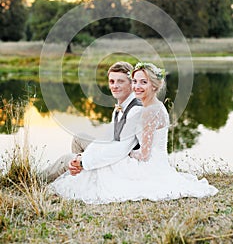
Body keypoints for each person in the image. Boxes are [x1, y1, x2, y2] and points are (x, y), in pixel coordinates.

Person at [49, 62, 218, 203]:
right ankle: (76, 171)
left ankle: (34, 180)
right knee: (81, 143)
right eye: (136, 81)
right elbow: (112, 135)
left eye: (142, 82)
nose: (137, 86)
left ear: (154, 85)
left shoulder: (144, 111)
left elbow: (138, 153)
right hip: (148, 158)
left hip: (146, 163)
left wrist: (86, 160)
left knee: (78, 164)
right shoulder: (147, 107)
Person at [42, 61, 142, 182]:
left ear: (132, 83)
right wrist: (82, 156)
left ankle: (32, 181)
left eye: (120, 81)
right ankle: (80, 176)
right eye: (112, 81)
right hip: (114, 151)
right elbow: (108, 137)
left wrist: (84, 161)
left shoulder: (136, 110)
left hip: (124, 161)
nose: (114, 86)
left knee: (67, 159)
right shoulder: (120, 106)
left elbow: (121, 149)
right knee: (79, 138)